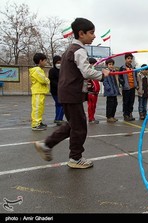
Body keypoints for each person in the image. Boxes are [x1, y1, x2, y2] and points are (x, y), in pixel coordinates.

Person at [34, 17, 110, 169]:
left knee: (73, 125)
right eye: (91, 33)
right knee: (80, 127)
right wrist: (103, 75)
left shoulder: (70, 50)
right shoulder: (79, 50)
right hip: (71, 94)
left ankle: (46, 144)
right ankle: (75, 158)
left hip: (67, 93)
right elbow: (87, 71)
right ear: (81, 34)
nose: (94, 36)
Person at [29, 53, 50, 131]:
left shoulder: (39, 70)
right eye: (45, 61)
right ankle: (35, 124)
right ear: (40, 61)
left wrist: (46, 80)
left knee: (40, 108)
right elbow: (43, 80)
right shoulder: (37, 70)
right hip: (37, 92)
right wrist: (47, 80)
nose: (45, 63)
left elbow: (45, 79)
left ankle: (39, 121)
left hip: (40, 91)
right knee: (37, 108)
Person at [118, 53, 137, 121]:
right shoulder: (122, 68)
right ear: (125, 59)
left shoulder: (133, 68)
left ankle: (130, 114)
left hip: (132, 87)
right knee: (126, 102)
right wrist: (123, 84)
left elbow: (135, 77)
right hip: (126, 88)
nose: (130, 60)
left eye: (131, 58)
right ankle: (125, 115)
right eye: (128, 58)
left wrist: (136, 85)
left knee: (131, 101)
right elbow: (120, 78)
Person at [49, 55, 65, 126]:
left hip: (62, 90)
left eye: (60, 62)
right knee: (62, 104)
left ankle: (58, 118)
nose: (59, 64)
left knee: (59, 105)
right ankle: (59, 119)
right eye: (58, 62)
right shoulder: (52, 71)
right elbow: (52, 80)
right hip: (55, 91)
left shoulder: (63, 70)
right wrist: (59, 86)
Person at [103, 58, 120, 123]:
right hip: (110, 91)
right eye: (110, 64)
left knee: (115, 104)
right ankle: (109, 116)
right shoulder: (106, 72)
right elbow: (105, 81)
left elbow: (115, 80)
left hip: (114, 91)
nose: (111, 66)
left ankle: (112, 116)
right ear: (107, 65)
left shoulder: (113, 72)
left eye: (112, 64)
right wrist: (109, 88)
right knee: (110, 104)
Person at [87, 57, 101, 124]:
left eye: (94, 64)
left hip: (95, 93)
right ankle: (90, 118)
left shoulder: (94, 73)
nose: (93, 65)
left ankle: (92, 117)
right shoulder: (87, 74)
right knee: (90, 106)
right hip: (90, 93)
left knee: (94, 106)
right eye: (92, 64)